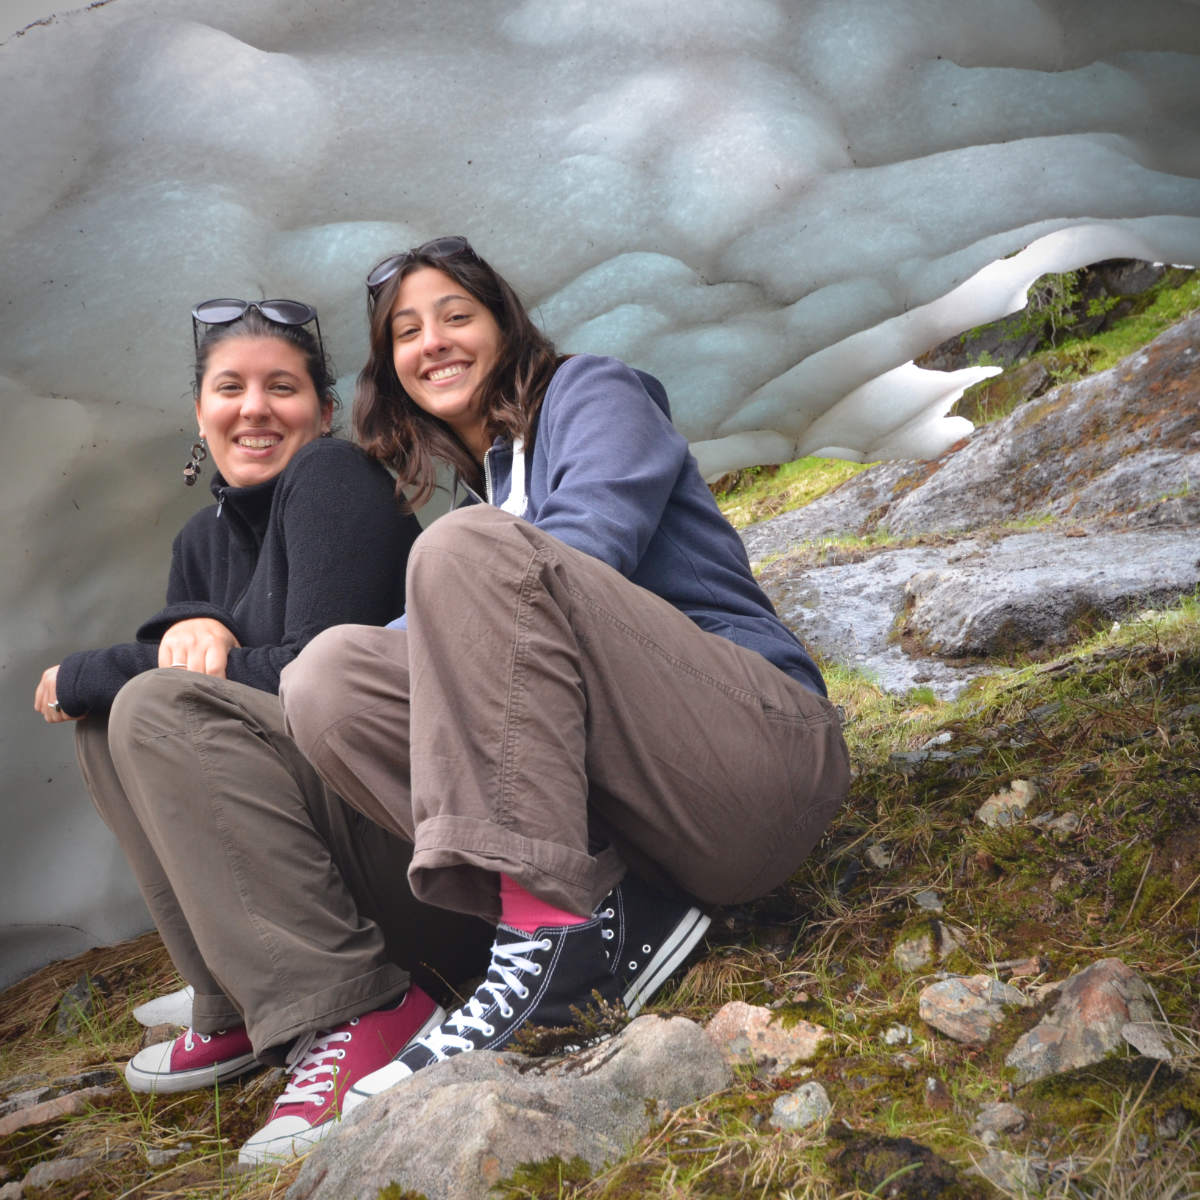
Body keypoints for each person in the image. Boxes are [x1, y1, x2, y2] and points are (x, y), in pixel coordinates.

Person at [278, 237, 851, 1114]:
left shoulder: (594, 392)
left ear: (506, 325)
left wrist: (454, 580)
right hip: (661, 824)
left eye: (456, 315)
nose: (433, 342)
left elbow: (591, 543)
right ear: (389, 367)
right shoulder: (484, 498)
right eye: (407, 331)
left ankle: (555, 940)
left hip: (760, 758)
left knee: (461, 556)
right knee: (328, 680)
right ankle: (606, 912)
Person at [33, 298, 491, 1165]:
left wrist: (108, 665)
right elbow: (196, 672)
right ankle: (240, 1001)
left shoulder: (334, 477)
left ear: (323, 411)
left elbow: (310, 678)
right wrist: (166, 648)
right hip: (344, 871)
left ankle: (361, 1007)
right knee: (109, 725)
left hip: (428, 864)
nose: (254, 408)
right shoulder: (200, 543)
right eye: (230, 388)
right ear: (199, 412)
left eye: (282, 388)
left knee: (150, 704)